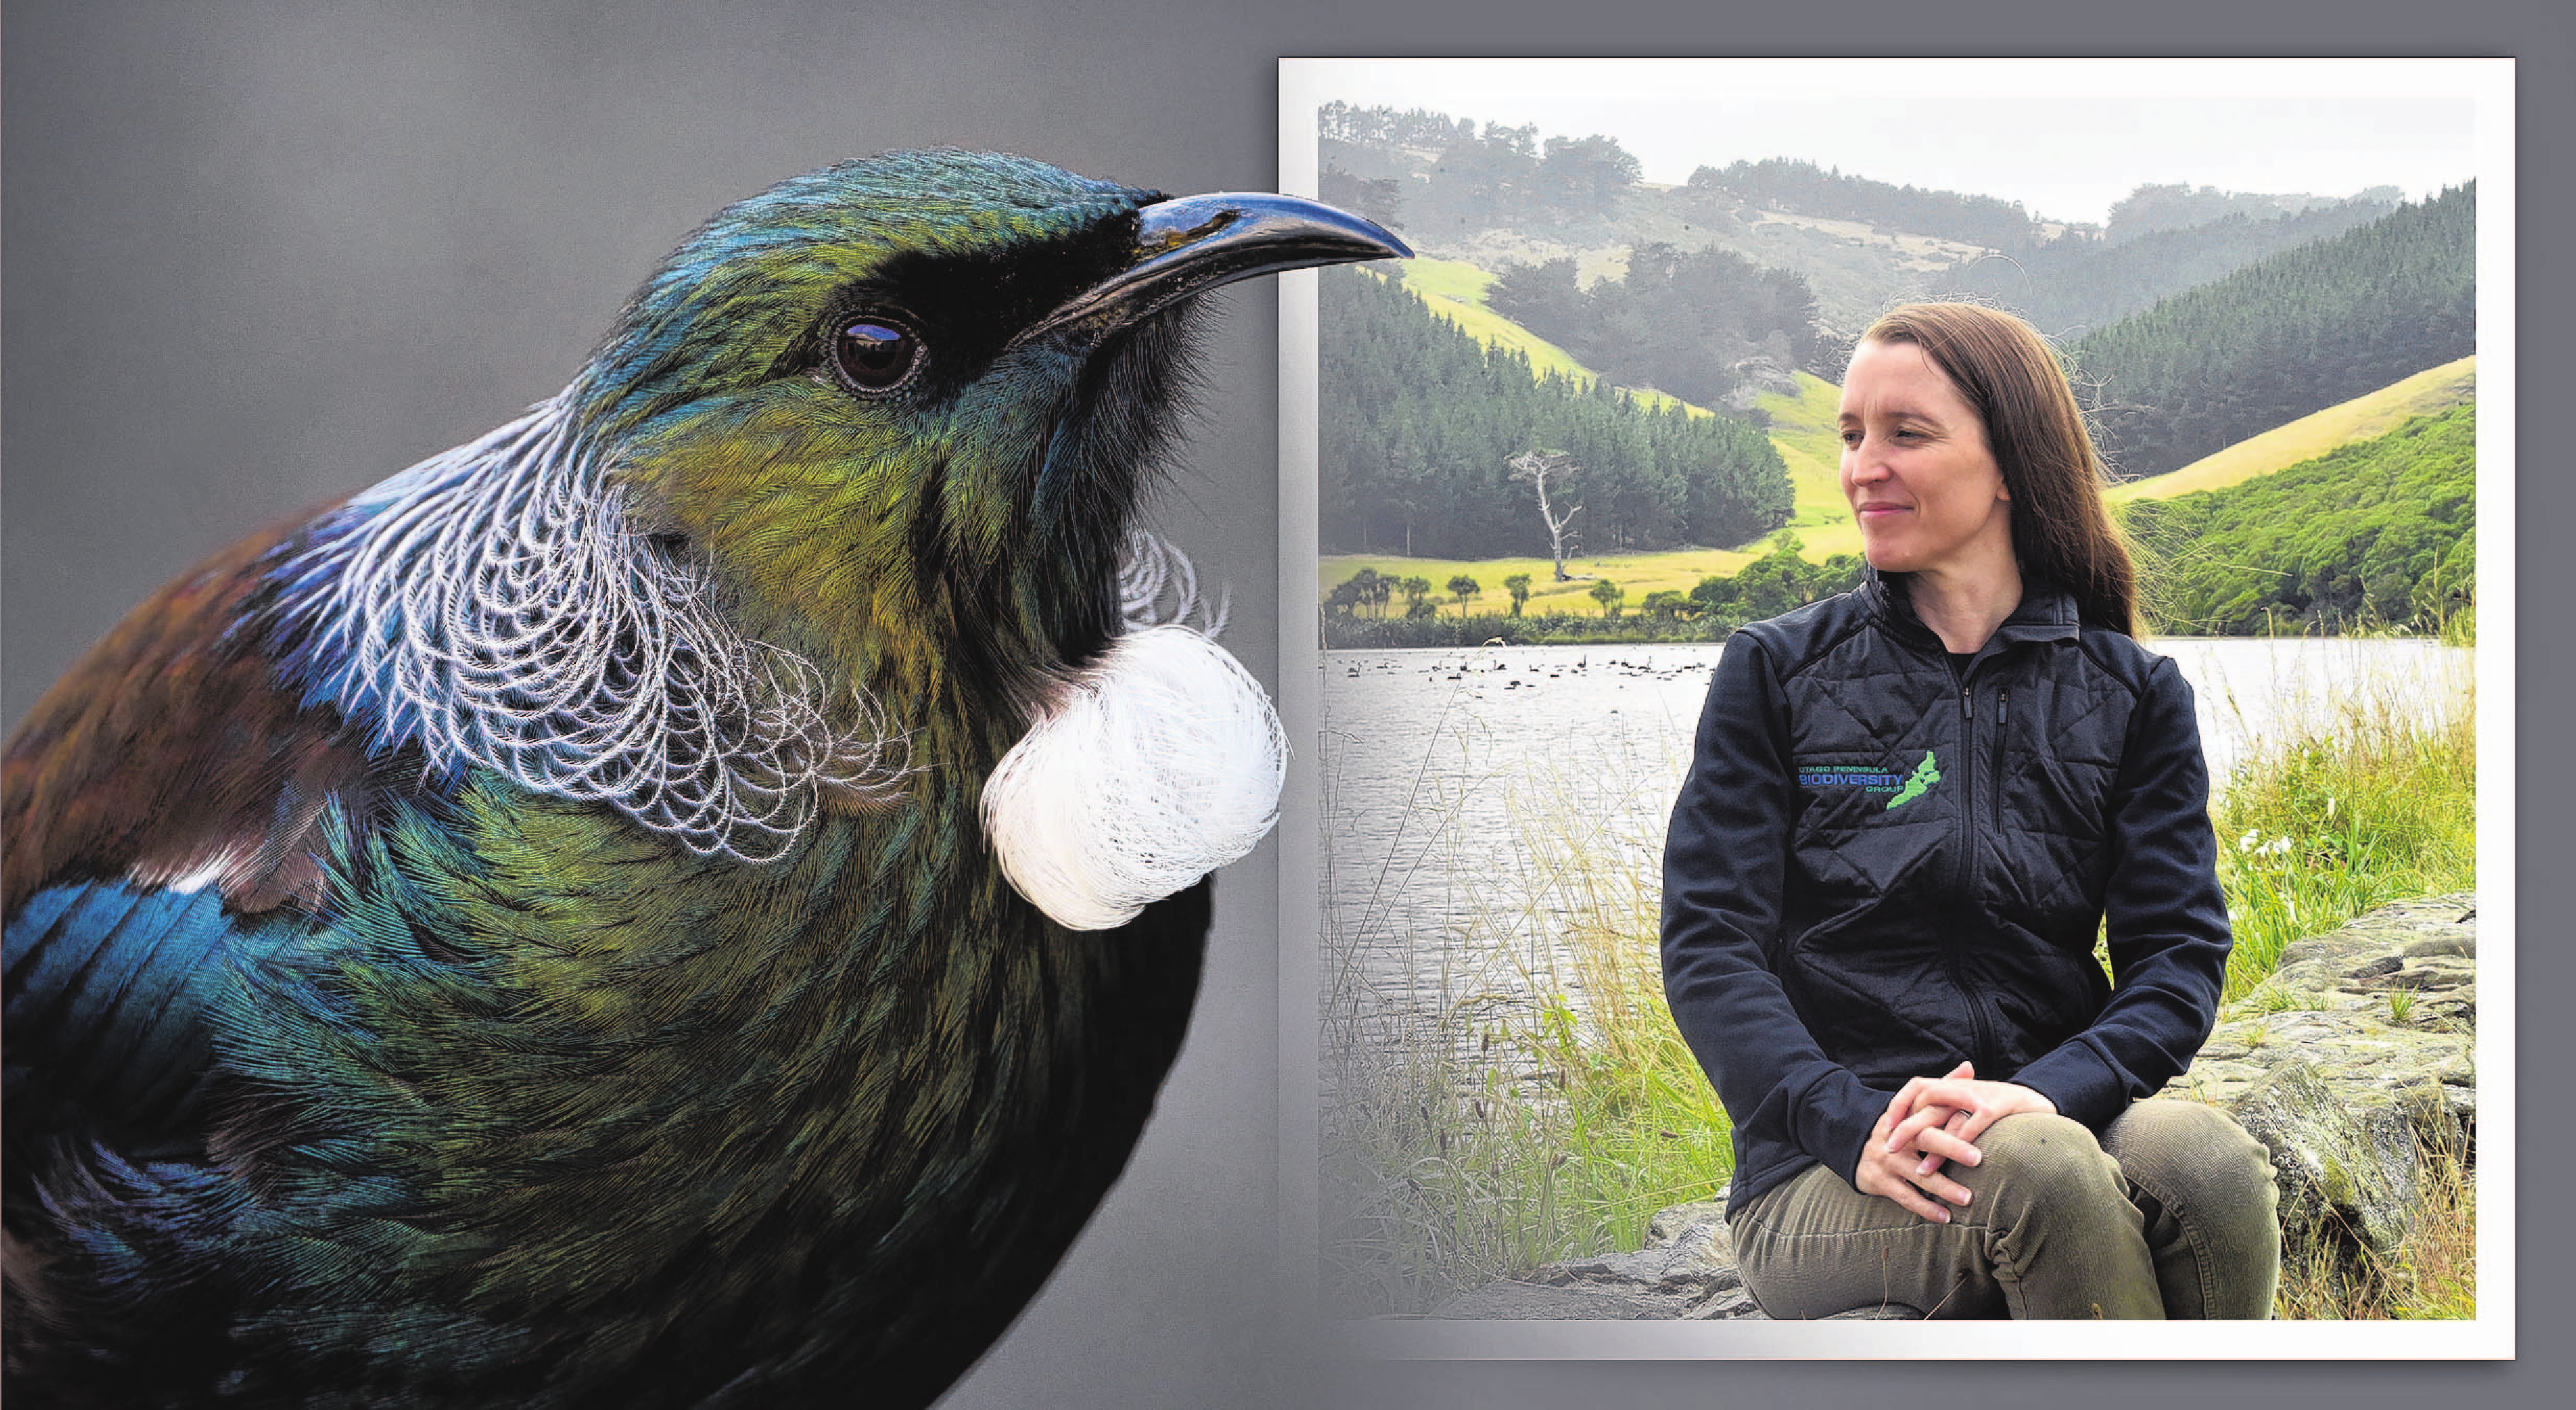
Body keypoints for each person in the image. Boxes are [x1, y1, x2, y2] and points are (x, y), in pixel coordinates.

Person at [1659, 302, 2279, 1319]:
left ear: (2011, 465)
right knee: (2040, 1178)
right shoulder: (1775, 672)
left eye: (1907, 433)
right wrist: (1845, 1121)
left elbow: (2176, 960)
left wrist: (2050, 1089)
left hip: (2049, 1116)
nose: (1865, 465)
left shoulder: (2131, 694)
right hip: (1828, 1168)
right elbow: (1709, 949)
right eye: (1852, 435)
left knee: (2209, 1165)